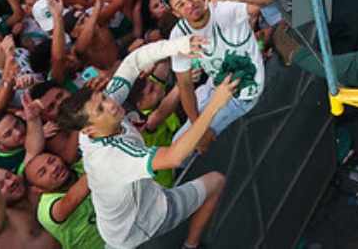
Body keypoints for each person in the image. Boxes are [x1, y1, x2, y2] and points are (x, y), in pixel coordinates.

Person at [59, 36, 237, 249]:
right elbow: (174, 157)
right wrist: (214, 105)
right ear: (88, 130)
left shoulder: (95, 122)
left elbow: (133, 62)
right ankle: (191, 246)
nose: (111, 105)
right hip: (143, 223)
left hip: (118, 226)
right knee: (215, 182)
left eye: (103, 98)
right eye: (100, 109)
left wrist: (179, 45)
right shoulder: (113, 157)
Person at [163, 0, 266, 140]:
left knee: (190, 148)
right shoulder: (178, 34)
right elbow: (185, 84)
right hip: (213, 86)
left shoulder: (223, 7)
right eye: (180, 4)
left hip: (241, 95)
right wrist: (198, 130)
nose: (189, 4)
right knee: (180, 143)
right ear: (176, 13)